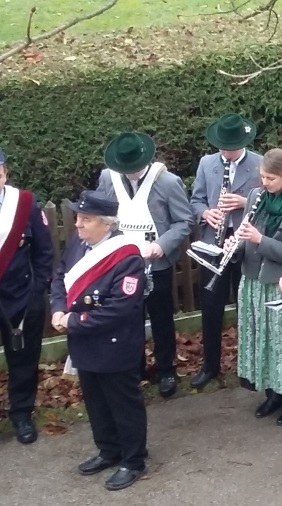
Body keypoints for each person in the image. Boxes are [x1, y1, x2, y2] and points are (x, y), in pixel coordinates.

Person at [49, 190, 149, 491]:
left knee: (123, 404)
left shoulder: (127, 257)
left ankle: (133, 460)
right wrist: (58, 310)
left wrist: (73, 322)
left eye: (85, 219)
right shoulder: (79, 246)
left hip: (114, 344)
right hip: (84, 342)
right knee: (95, 401)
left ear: (106, 224)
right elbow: (59, 278)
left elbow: (119, 308)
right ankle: (108, 450)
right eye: (78, 218)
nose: (78, 224)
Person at [96, 132, 193, 397]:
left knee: (161, 318)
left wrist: (161, 245)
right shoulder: (108, 178)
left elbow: (184, 221)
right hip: (120, 263)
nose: (130, 174)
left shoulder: (168, 182)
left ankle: (166, 370)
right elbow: (102, 214)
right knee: (127, 319)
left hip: (156, 263)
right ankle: (134, 368)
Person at [223, 148, 282, 425]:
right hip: (252, 281)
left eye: (271, 178)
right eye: (262, 176)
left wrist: (260, 239)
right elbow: (246, 237)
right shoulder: (254, 196)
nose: (265, 183)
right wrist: (235, 245)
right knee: (260, 340)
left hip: (280, 285)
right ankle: (273, 392)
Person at [190, 113, 263, 389]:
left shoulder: (258, 163)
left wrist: (244, 202)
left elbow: (269, 202)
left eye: (231, 148)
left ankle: (250, 367)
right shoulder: (207, 163)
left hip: (245, 245)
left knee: (247, 307)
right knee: (210, 308)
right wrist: (206, 213)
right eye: (222, 147)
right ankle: (210, 366)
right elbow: (195, 199)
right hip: (213, 245)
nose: (226, 153)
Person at [0, 147, 53, 444]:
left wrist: (37, 292)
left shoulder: (25, 204)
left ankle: (21, 414)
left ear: (5, 172)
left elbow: (44, 252)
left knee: (22, 359)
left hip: (20, 295)